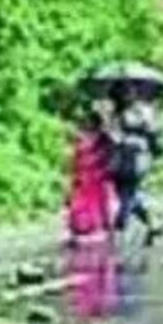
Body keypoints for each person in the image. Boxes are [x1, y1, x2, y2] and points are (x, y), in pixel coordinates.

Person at [108, 84, 163, 244]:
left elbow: (113, 138)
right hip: (141, 158)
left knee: (127, 191)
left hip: (125, 159)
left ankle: (121, 224)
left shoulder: (120, 115)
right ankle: (151, 219)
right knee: (131, 191)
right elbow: (155, 133)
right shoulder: (145, 111)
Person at [64, 100, 116, 241]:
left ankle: (97, 228)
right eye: (85, 122)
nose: (87, 124)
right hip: (82, 173)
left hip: (96, 174)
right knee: (79, 202)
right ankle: (79, 228)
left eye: (90, 121)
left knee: (96, 203)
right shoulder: (79, 136)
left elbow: (109, 150)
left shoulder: (102, 137)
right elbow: (73, 153)